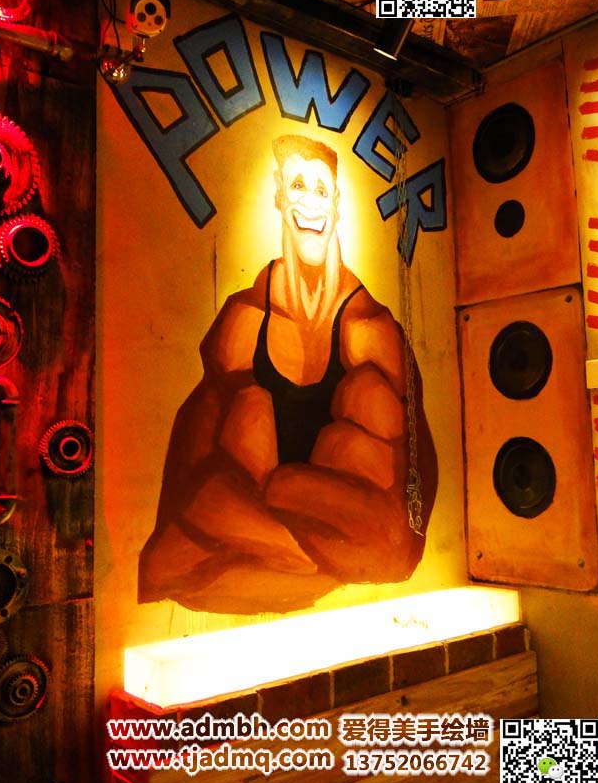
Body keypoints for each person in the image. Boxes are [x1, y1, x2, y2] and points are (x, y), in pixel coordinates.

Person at [138, 134, 437, 613]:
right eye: (298, 186)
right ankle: (291, 549)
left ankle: (287, 535)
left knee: (353, 420)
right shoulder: (244, 320)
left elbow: (398, 538)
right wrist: (284, 544)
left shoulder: (370, 330)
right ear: (279, 195)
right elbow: (187, 504)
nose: (311, 203)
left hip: (332, 530)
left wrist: (284, 497)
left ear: (337, 204)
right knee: (246, 412)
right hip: (263, 535)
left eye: (321, 190)